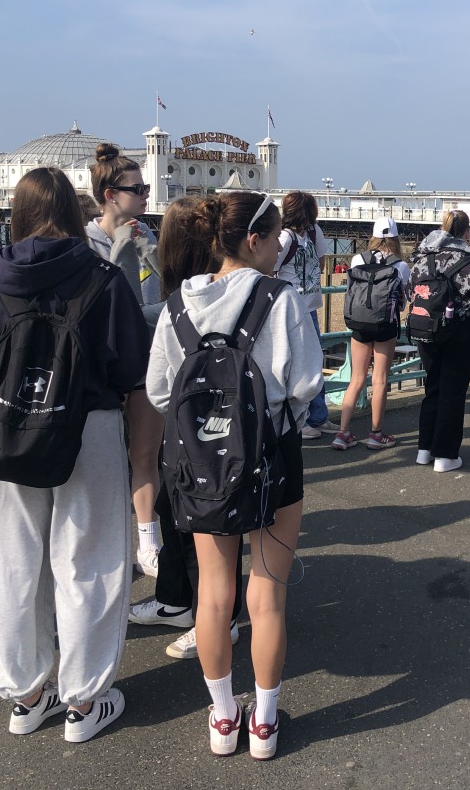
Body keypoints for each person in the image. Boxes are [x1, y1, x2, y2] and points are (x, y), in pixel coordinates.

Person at [0, 167, 148, 741]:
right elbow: (131, 369)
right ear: (74, 208)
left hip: (6, 427)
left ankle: (25, 694)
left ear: (15, 213)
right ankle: (85, 701)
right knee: (88, 561)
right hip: (88, 427)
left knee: (9, 563)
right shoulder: (102, 276)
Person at [147, 191, 322, 760]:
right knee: (267, 593)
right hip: (273, 458)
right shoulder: (281, 299)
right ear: (253, 240)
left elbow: (158, 391)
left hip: (202, 465)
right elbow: (306, 385)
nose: (280, 247)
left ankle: (223, 718)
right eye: (274, 237)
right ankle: (264, 724)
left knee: (214, 592)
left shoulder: (178, 305)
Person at [127, 197, 244, 662]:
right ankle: (176, 599)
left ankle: (219, 619)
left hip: (198, 427)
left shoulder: (185, 303)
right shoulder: (217, 293)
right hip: (209, 424)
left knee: (207, 524)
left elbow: (158, 386)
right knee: (177, 509)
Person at [88, 143, 163, 577]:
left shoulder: (145, 233)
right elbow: (103, 306)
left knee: (145, 454)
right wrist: (120, 253)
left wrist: (150, 253)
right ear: (109, 195)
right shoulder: (86, 241)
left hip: (144, 357)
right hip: (101, 367)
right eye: (136, 189)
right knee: (104, 462)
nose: (145, 195)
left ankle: (149, 542)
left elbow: (157, 293)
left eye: (145, 187)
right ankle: (110, 546)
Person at [410, 210, 470, 473]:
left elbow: (411, 292)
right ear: (467, 233)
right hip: (458, 333)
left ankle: (424, 449)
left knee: (433, 388)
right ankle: (445, 455)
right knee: (452, 393)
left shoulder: (422, 259)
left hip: (426, 329)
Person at [332, 217, 410, 452]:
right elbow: (402, 302)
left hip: (359, 323)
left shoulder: (357, 259)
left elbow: (350, 290)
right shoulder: (400, 265)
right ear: (395, 238)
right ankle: (376, 434)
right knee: (380, 379)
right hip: (385, 325)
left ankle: (342, 433)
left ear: (373, 237)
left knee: (357, 378)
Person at [275, 190, 339, 439]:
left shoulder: (313, 231)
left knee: (312, 363)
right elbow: (320, 263)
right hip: (291, 309)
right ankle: (302, 421)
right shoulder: (285, 237)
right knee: (297, 366)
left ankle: (317, 417)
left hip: (308, 307)